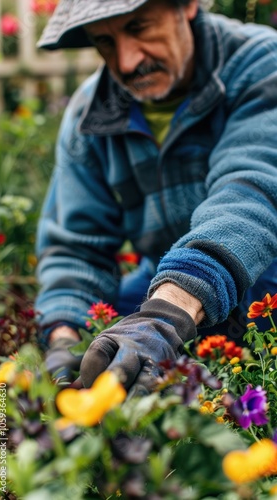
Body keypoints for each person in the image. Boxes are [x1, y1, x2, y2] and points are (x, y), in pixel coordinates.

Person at [36, 0, 277, 390]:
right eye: (105, 41)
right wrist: (64, 340)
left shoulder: (261, 64)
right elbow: (75, 248)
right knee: (104, 341)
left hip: (264, 270)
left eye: (140, 27)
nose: (128, 62)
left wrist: (167, 314)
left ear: (188, 5)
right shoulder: (89, 112)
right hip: (164, 281)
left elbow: (252, 194)